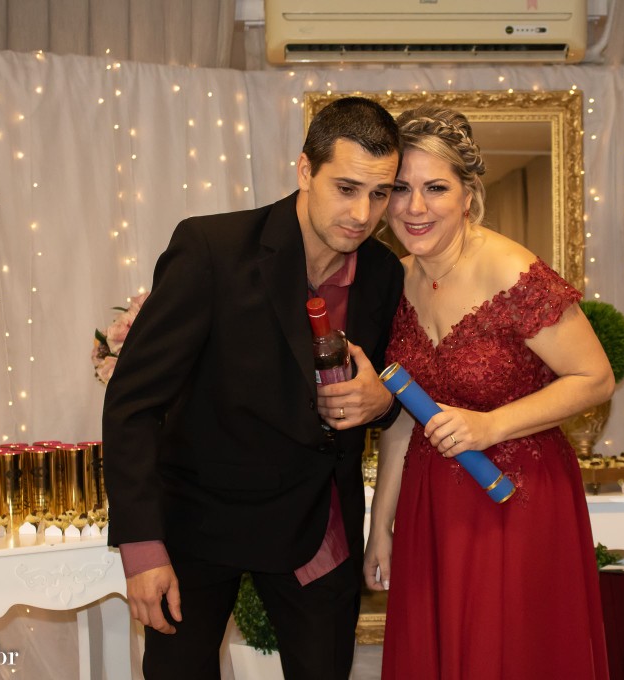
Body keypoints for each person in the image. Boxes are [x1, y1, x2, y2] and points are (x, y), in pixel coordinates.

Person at [102, 96, 404, 680]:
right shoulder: (212, 249)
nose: (362, 214)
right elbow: (133, 404)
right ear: (305, 170)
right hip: (201, 523)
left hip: (318, 530)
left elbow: (388, 390)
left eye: (379, 194)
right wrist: (141, 547)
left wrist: (382, 403)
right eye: (346, 188)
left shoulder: (384, 273)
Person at [363, 104, 614, 679]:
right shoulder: (395, 280)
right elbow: (403, 417)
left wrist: (490, 425)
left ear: (468, 194)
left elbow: (595, 378)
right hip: (430, 502)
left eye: (435, 188)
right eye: (399, 188)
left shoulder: (510, 270)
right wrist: (381, 525)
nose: (414, 207)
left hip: (517, 495)